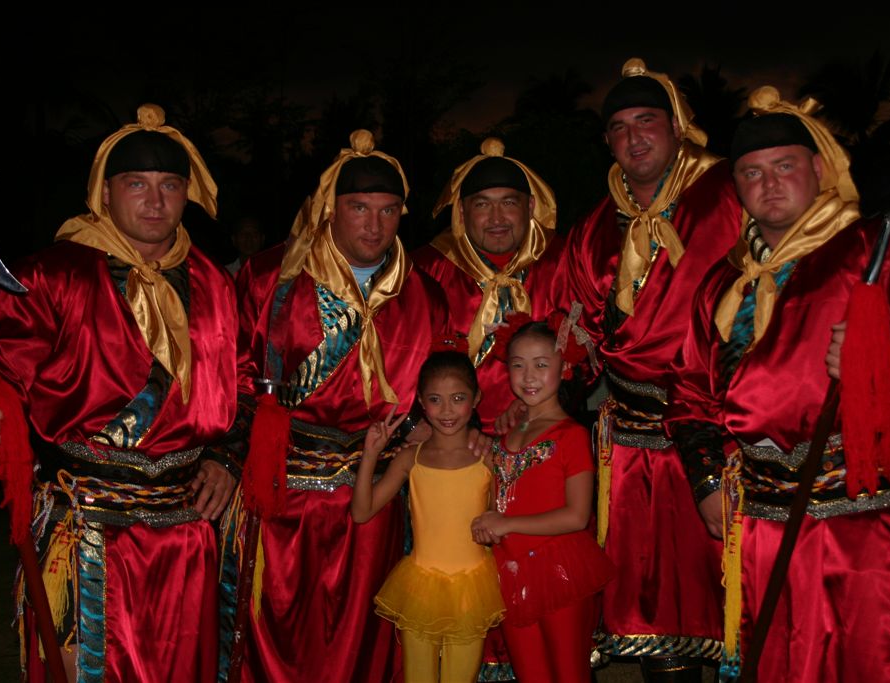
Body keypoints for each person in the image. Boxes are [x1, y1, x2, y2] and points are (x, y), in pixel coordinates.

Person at [666, 86, 890, 682]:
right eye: (751, 173)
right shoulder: (722, 282)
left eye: (785, 166)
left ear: (820, 169)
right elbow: (689, 391)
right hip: (762, 522)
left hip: (865, 519)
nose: (769, 184)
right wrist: (706, 482)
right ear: (736, 187)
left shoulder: (874, 248)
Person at [0, 104, 237, 682]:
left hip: (188, 533)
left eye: (169, 185)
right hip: (87, 529)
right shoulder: (53, 275)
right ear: (105, 192)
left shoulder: (215, 283)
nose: (155, 201)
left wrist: (226, 457)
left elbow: (245, 384)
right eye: (136, 184)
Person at [214, 129, 448, 682]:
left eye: (388, 211)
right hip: (281, 495)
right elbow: (234, 377)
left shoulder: (424, 295)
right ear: (329, 209)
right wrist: (225, 456)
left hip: (374, 497)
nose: (374, 225)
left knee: (362, 638)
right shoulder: (269, 279)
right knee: (276, 633)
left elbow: (436, 388)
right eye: (359, 208)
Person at [550, 57, 742, 680]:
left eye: (646, 121)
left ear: (677, 126)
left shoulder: (730, 191)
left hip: (723, 431)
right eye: (619, 127)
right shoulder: (591, 229)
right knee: (656, 607)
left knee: (740, 592)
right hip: (633, 444)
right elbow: (575, 337)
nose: (633, 138)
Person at [472, 313, 615, 683]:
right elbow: (502, 498)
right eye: (518, 365)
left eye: (541, 364)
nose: (529, 376)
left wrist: (506, 523)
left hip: (558, 571)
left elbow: (576, 516)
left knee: (568, 672)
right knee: (530, 674)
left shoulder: (571, 436)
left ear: (564, 367)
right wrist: (487, 521)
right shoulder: (507, 434)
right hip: (510, 571)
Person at [352, 347, 505, 683]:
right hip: (420, 586)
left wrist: (494, 525)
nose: (447, 410)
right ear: (421, 402)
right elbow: (362, 512)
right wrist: (370, 456)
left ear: (476, 398)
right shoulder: (410, 458)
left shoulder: (489, 458)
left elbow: (500, 518)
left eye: (458, 398)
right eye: (435, 400)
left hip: (471, 589)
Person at [414, 137, 563, 433]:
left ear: (530, 206)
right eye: (482, 205)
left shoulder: (562, 262)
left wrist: (541, 406)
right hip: (447, 436)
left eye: (509, 203)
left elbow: (585, 349)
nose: (497, 218)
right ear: (461, 211)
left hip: (542, 429)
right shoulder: (423, 271)